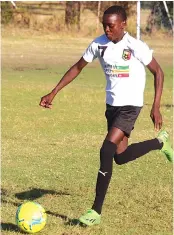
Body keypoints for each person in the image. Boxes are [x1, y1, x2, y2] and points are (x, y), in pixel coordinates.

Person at [39, 5, 173, 226]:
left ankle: (95, 211)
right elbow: (77, 67)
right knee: (120, 157)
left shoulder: (135, 46)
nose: (107, 30)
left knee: (106, 149)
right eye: (104, 26)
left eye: (111, 26)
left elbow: (158, 72)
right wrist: (53, 92)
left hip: (131, 106)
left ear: (123, 25)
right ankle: (160, 143)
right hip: (112, 107)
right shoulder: (98, 44)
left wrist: (156, 105)